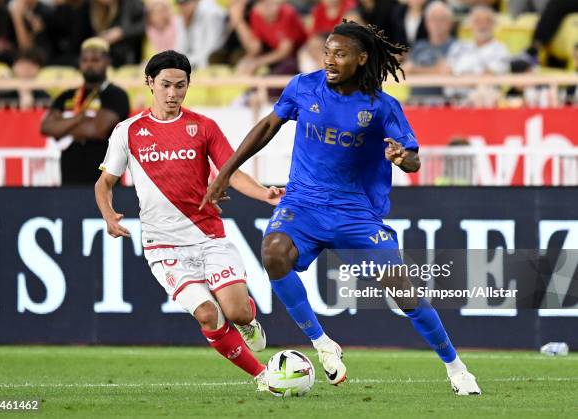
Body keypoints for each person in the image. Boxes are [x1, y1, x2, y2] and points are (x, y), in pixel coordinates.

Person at [202, 21, 482, 395]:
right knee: (273, 253)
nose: (330, 60)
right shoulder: (303, 87)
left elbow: (413, 158)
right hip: (303, 203)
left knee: (403, 291)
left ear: (362, 59)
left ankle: (456, 368)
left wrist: (403, 158)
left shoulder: (382, 107)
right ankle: (321, 343)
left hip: (355, 212)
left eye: (340, 54)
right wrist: (227, 171)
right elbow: (268, 126)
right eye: (327, 52)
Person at [94, 50, 284, 391]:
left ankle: (247, 320)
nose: (172, 93)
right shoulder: (128, 131)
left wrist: (263, 194)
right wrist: (109, 214)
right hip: (163, 245)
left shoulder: (204, 127)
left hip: (208, 236)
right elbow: (104, 183)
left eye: (180, 86)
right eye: (165, 85)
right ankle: (262, 377)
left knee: (237, 312)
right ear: (150, 83)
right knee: (208, 315)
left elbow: (231, 172)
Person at [40, 37, 129, 184]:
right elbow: (46, 127)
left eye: (95, 60)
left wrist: (62, 126)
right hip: (70, 179)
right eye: (85, 60)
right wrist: (79, 118)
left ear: (107, 61)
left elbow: (97, 130)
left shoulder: (116, 94)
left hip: (105, 181)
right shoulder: (66, 95)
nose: (89, 64)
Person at [174, 0, 226, 69]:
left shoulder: (211, 14)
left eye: (185, 3)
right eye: (179, 4)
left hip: (221, 58)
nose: (181, 7)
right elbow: (180, 49)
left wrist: (186, 63)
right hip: (197, 62)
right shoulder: (182, 18)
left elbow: (213, 48)